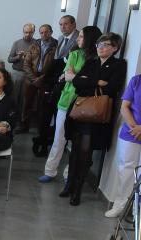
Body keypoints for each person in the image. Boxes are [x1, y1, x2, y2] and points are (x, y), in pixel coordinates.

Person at [63, 32, 127, 206]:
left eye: (106, 45)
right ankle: (69, 184)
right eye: (99, 45)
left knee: (86, 152)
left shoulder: (119, 64)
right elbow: (77, 83)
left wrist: (88, 81)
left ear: (115, 48)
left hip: (97, 115)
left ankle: (77, 190)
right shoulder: (91, 62)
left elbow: (112, 88)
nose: (101, 48)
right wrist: (97, 82)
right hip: (80, 110)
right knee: (75, 148)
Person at [39, 26, 101, 183]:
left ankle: (69, 174)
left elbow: (91, 80)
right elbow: (67, 76)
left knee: (77, 142)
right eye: (78, 36)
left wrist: (78, 77)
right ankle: (50, 170)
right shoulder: (74, 54)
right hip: (67, 100)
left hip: (84, 103)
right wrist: (83, 79)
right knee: (59, 137)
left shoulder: (96, 59)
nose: (78, 39)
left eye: (81, 37)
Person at [105, 72, 141, 217]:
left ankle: (136, 210)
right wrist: (135, 128)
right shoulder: (136, 80)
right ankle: (120, 204)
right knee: (125, 169)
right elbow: (124, 106)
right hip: (131, 133)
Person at [21, 24, 58, 132]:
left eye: (46, 32)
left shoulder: (56, 45)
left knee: (43, 104)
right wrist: (33, 79)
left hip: (46, 78)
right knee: (27, 103)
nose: (43, 34)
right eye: (41, 32)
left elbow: (56, 65)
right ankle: (24, 126)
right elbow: (26, 64)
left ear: (51, 32)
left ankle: (40, 128)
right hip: (31, 78)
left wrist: (43, 78)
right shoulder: (34, 45)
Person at [8, 23, 36, 122]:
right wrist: (18, 57)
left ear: (33, 32)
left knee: (25, 100)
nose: (28, 34)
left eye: (30, 32)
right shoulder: (17, 43)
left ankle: (22, 121)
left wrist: (29, 58)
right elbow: (9, 59)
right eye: (26, 32)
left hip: (29, 75)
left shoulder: (36, 43)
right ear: (23, 32)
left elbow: (38, 60)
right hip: (16, 73)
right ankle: (11, 119)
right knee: (14, 97)